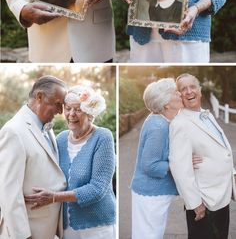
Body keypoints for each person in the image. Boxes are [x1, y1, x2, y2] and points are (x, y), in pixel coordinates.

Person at [25, 85, 116, 239]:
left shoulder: (102, 137)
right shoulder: (60, 139)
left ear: (90, 113)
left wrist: (54, 196)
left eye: (78, 109)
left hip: (97, 226)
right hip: (66, 228)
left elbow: (98, 188)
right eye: (68, 108)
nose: (71, 114)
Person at [130, 78, 202, 239]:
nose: (180, 94)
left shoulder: (162, 120)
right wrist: (181, 163)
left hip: (152, 192)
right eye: (175, 92)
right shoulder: (158, 127)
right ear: (166, 104)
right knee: (149, 235)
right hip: (151, 193)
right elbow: (149, 165)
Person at [169, 73, 236, 239]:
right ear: (179, 95)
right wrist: (195, 204)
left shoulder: (207, 115)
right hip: (204, 202)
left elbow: (221, 148)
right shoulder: (179, 124)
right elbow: (180, 169)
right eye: (183, 89)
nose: (189, 91)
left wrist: (232, 172)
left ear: (200, 90)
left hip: (222, 196)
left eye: (192, 86)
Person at [0, 76, 67, 239]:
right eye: (58, 104)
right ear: (39, 97)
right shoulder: (13, 132)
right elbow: (9, 193)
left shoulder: (47, 127)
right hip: (27, 231)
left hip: (46, 230)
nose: (61, 111)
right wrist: (23, 236)